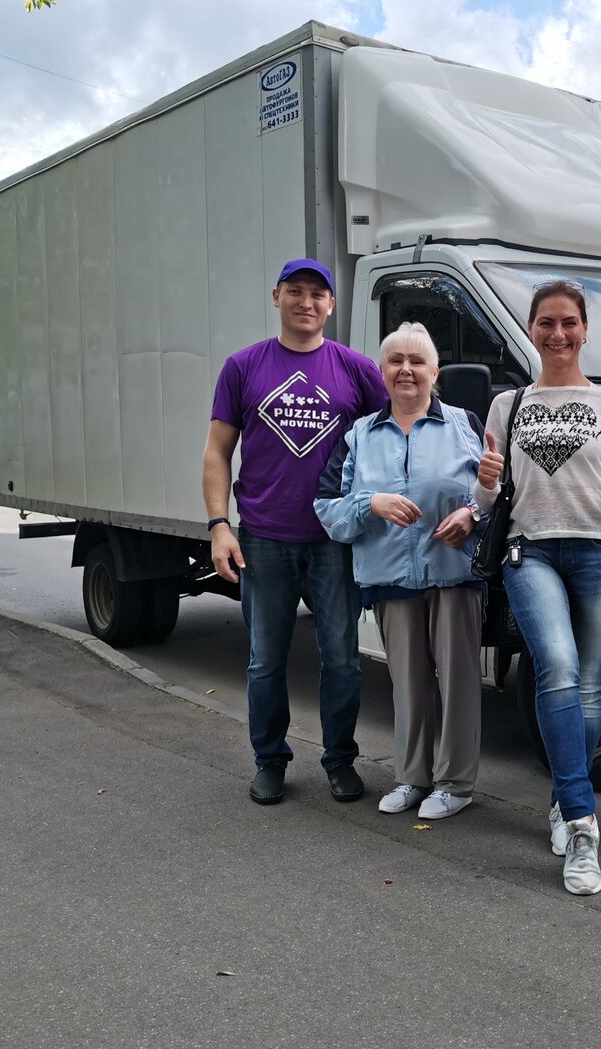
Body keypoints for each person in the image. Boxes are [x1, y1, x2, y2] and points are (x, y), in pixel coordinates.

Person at [474, 281, 601, 896]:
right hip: (530, 550)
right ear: (533, 328)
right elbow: (489, 500)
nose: (558, 334)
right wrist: (486, 481)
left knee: (589, 687)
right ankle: (582, 824)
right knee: (560, 669)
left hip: (599, 552)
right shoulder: (507, 405)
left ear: (585, 329)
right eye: (546, 322)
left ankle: (562, 793)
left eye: (569, 322)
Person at [202, 258, 388, 805]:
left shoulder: (356, 370)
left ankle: (339, 760)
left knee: (343, 659)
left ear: (331, 305)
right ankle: (270, 760)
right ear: (276, 296)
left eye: (318, 294)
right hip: (263, 537)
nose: (307, 302)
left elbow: (391, 434)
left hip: (335, 541)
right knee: (265, 660)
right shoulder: (243, 367)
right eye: (296, 292)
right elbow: (217, 452)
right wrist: (219, 526)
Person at [314, 322, 485, 821]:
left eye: (417, 361)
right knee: (408, 684)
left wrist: (472, 513)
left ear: (435, 371)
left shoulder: (464, 425)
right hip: (390, 578)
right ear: (382, 372)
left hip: (454, 573)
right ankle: (413, 778)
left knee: (457, 681)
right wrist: (372, 504)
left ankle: (455, 783)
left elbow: (500, 491)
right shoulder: (359, 435)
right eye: (396, 361)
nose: (406, 369)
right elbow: (328, 511)